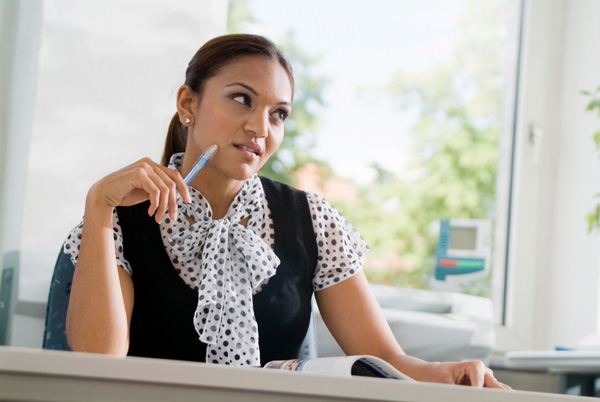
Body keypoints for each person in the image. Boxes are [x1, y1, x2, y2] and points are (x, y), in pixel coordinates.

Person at [63, 33, 509, 389]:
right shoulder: (118, 218)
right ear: (188, 104)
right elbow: (98, 362)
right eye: (242, 99)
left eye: (278, 114)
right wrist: (98, 207)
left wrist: (445, 373)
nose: (260, 127)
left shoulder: (312, 220)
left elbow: (386, 359)